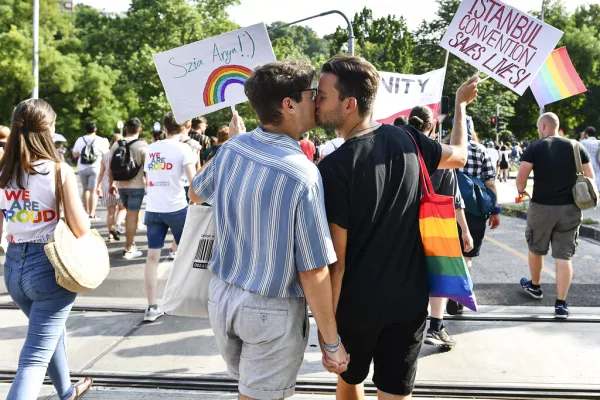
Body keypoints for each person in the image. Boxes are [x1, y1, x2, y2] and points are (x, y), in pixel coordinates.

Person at [315, 56, 478, 399]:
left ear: (349, 104)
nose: (316, 102)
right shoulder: (411, 140)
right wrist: (460, 106)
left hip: (356, 307)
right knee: (396, 391)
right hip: (409, 301)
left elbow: (336, 262)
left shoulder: (333, 168)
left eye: (322, 96)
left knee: (349, 380)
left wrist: (328, 332)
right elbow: (460, 155)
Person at [190, 60, 349, 400]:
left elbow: (195, 192)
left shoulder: (232, 148)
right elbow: (313, 268)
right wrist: (331, 340)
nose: (318, 101)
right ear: (289, 104)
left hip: (221, 297)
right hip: (269, 310)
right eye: (312, 94)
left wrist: (236, 140)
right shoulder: (302, 175)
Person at [0, 99, 92, 399]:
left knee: (47, 336)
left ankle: (66, 391)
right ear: (48, 130)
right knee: (34, 358)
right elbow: (81, 228)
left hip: (13, 268)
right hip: (49, 269)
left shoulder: (3, 172)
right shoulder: (57, 171)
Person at [517, 113, 595, 319]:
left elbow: (522, 176)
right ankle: (561, 303)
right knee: (564, 256)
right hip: (570, 208)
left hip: (541, 207)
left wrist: (521, 190)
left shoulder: (535, 147)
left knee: (536, 247)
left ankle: (535, 286)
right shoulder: (577, 147)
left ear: (543, 126)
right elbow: (590, 177)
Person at [408, 106, 474, 348]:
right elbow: (454, 199)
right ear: (432, 126)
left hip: (404, 227)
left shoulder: (399, 151)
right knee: (439, 274)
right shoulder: (441, 154)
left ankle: (408, 324)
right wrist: (465, 231)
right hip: (435, 226)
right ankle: (436, 326)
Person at [142, 112, 197, 322]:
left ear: (165, 127)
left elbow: (150, 177)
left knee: (152, 258)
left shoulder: (152, 148)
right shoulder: (184, 149)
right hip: (176, 207)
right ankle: (185, 300)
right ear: (186, 127)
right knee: (189, 255)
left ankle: (151, 306)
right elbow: (194, 181)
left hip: (153, 208)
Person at [448, 117, 500, 315]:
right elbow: (490, 183)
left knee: (451, 254)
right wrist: (495, 211)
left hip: (450, 207)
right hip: (476, 209)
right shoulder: (480, 150)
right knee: (467, 255)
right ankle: (462, 296)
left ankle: (451, 295)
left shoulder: (447, 148)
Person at [108, 117, 149, 259]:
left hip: (121, 186)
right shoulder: (143, 146)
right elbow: (148, 169)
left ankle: (131, 244)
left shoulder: (116, 144)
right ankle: (128, 248)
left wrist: (111, 184)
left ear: (126, 129)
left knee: (127, 214)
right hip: (136, 186)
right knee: (132, 216)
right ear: (140, 130)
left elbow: (110, 166)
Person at [72, 121, 109, 220]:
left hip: (82, 167)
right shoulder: (99, 140)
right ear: (95, 129)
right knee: (93, 191)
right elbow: (106, 153)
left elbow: (74, 154)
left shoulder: (80, 140)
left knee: (85, 190)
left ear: (85, 130)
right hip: (95, 167)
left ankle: (86, 212)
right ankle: (92, 214)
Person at [96, 134, 126, 242]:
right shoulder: (124, 153)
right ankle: (116, 224)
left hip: (106, 184)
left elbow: (101, 172)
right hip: (120, 183)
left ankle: (110, 235)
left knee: (110, 211)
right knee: (123, 208)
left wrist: (98, 186)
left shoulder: (105, 155)